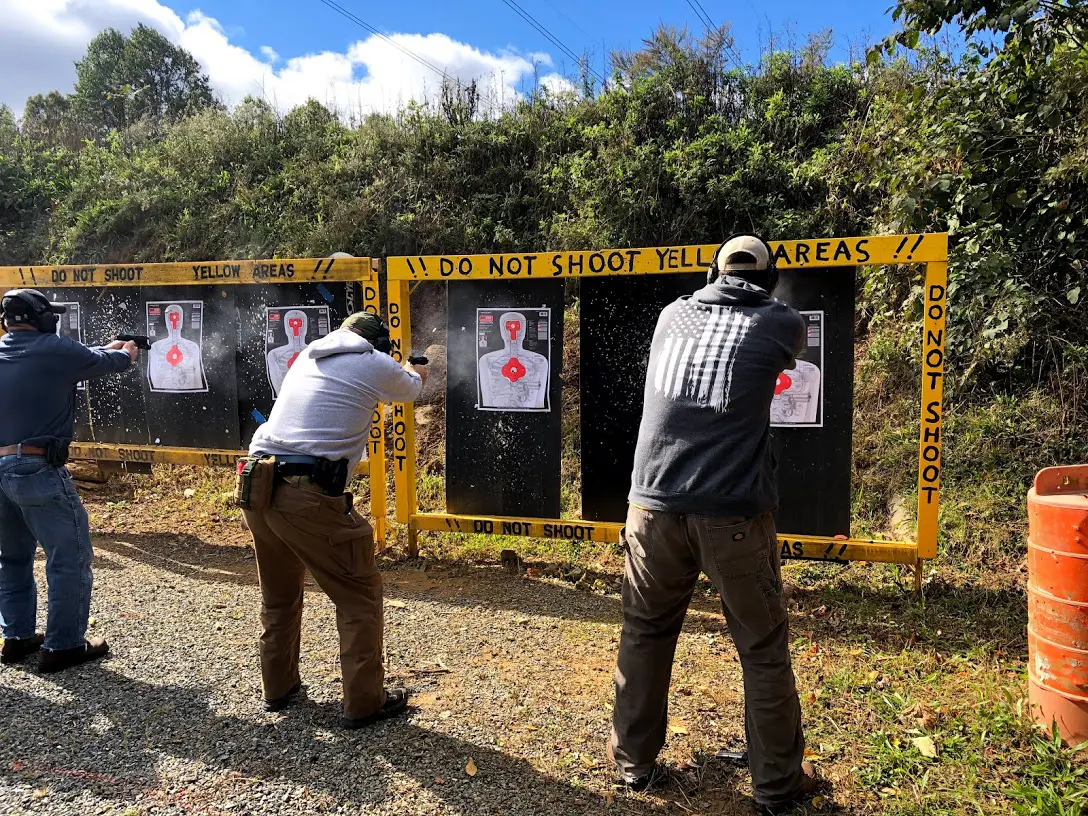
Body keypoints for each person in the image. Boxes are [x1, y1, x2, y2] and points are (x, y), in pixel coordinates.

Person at [609, 235, 818, 814]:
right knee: (762, 647)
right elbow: (786, 351)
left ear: (712, 270)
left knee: (645, 633)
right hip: (731, 513)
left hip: (650, 506)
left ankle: (634, 764)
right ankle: (777, 787)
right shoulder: (781, 322)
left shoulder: (672, 313)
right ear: (770, 279)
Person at [242, 312, 426, 728]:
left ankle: (279, 687)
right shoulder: (371, 360)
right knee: (358, 593)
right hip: (306, 493)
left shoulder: (308, 354)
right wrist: (416, 364)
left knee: (280, 595)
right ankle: (365, 702)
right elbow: (411, 389)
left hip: (257, 483)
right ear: (375, 343)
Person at [0, 289, 137, 672]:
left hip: (1, 469)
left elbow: (77, 356)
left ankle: (17, 638)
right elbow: (115, 362)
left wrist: (101, 349)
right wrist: (127, 350)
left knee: (11, 557)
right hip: (37, 468)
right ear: (41, 317)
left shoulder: (8, 350)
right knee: (69, 556)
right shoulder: (55, 349)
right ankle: (63, 646)